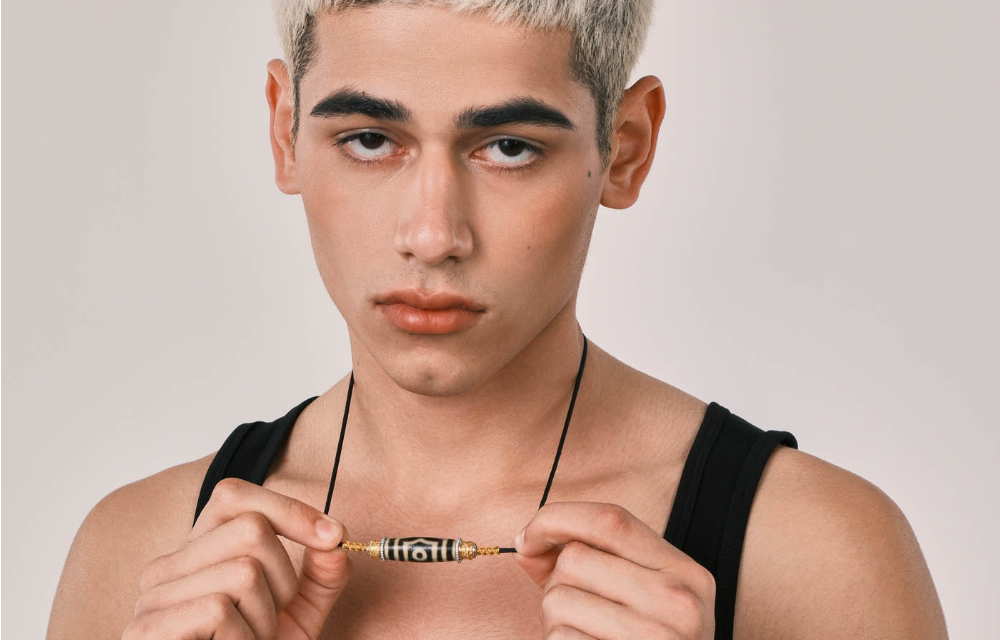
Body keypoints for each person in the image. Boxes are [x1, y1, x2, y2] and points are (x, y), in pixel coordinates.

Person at [46, 1, 948, 638]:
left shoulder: (818, 557)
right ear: (285, 132)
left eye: (509, 147)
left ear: (625, 149)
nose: (433, 236)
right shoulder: (143, 556)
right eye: (370, 139)